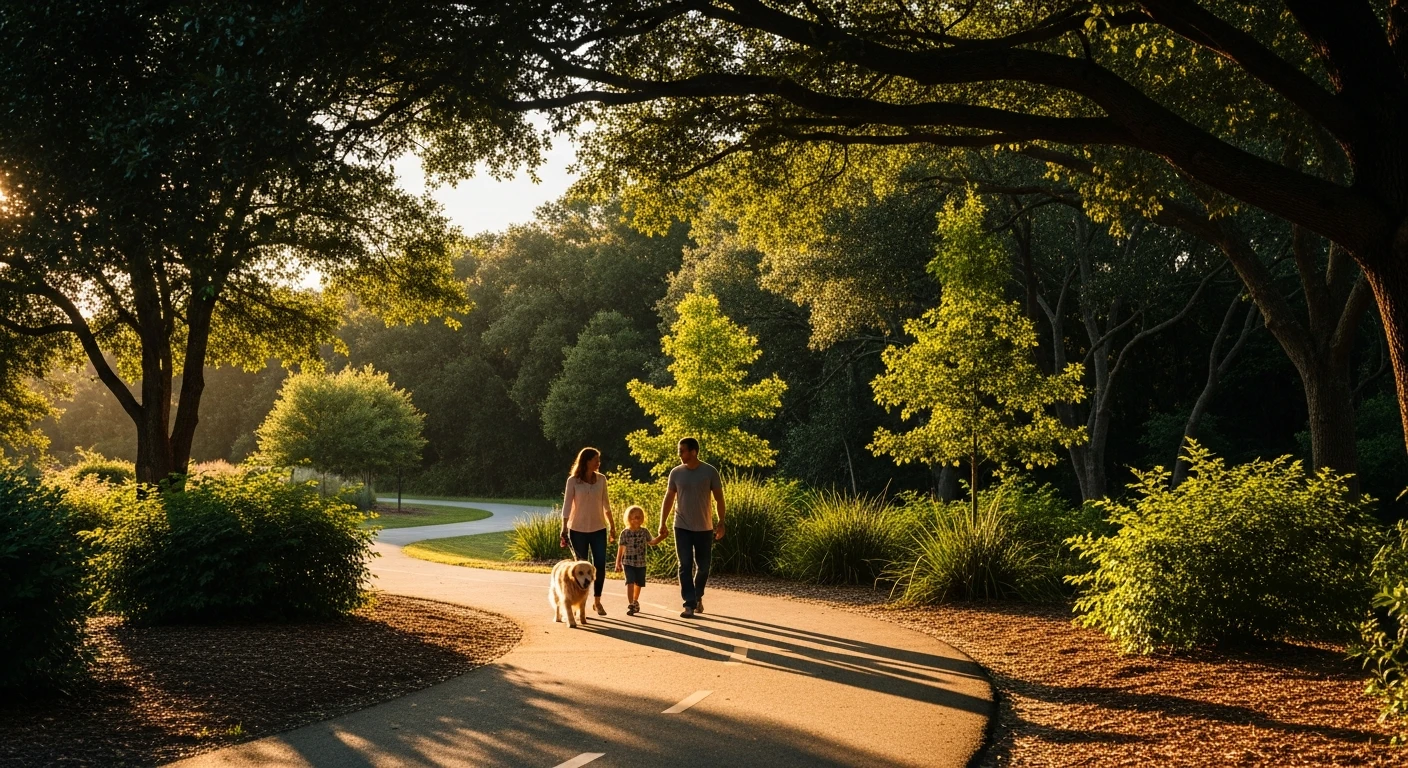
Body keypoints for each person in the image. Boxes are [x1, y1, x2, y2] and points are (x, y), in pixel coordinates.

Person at [658, 437, 725, 618]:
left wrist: (721, 522)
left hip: (704, 527)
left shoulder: (710, 472)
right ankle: (689, 603)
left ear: (693, 452)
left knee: (703, 567)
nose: (679, 454)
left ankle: (697, 596)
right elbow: (669, 498)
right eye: (679, 451)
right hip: (682, 526)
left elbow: (719, 499)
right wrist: (662, 522)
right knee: (684, 565)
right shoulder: (676, 473)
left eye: (682, 451)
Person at [560, 446, 616, 615]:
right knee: (580, 569)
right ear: (586, 461)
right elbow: (567, 506)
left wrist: (612, 525)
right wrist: (563, 528)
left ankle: (597, 602)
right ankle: (580, 603)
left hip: (599, 528)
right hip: (577, 529)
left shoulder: (602, 479)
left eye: (599, 460)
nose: (599, 463)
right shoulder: (573, 481)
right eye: (596, 460)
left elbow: (606, 504)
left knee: (599, 566)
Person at [613, 505, 667, 616]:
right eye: (634, 517)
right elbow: (621, 548)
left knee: (638, 583)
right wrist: (618, 562)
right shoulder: (625, 533)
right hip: (628, 562)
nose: (637, 519)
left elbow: (652, 542)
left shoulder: (644, 532)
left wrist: (662, 537)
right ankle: (631, 604)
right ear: (628, 518)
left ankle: (635, 600)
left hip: (641, 563)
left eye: (639, 517)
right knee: (630, 582)